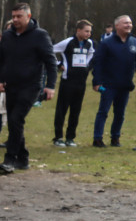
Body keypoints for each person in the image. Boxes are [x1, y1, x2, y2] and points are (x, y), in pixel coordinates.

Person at [0, 3, 56, 173]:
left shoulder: (40, 36)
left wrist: (50, 86)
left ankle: (10, 160)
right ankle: (23, 158)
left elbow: (51, 61)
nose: (15, 20)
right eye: (13, 16)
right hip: (10, 86)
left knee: (15, 119)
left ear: (28, 16)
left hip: (31, 86)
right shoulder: (7, 36)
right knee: (14, 122)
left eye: (19, 16)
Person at [90, 14, 136, 148]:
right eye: (125, 23)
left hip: (125, 85)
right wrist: (97, 82)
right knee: (103, 112)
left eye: (130, 23)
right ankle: (97, 138)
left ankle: (115, 137)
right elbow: (98, 63)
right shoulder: (106, 43)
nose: (129, 25)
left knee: (120, 114)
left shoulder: (133, 42)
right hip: (108, 85)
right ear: (117, 26)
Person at [51, 19, 95, 147]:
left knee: (75, 111)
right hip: (67, 81)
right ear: (78, 30)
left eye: (90, 32)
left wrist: (87, 67)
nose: (89, 34)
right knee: (62, 110)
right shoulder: (68, 42)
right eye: (86, 31)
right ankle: (58, 137)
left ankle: (70, 138)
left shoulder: (89, 43)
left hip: (81, 82)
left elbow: (92, 54)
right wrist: (58, 64)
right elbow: (50, 50)